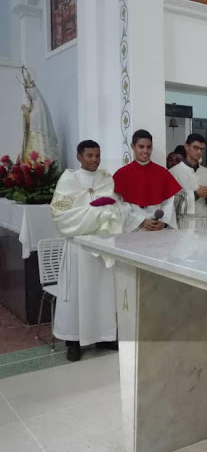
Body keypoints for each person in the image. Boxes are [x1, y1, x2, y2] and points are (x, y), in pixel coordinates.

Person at [50, 140, 125, 361]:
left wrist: (103, 212)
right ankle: (73, 340)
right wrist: (96, 214)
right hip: (79, 248)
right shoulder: (68, 180)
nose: (94, 160)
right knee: (77, 295)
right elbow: (60, 215)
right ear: (79, 157)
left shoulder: (105, 179)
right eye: (90, 155)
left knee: (102, 293)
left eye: (97, 155)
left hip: (102, 246)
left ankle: (104, 335)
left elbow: (116, 208)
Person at [113, 129, 181, 232]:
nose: (145, 151)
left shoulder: (162, 173)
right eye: (141, 147)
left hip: (158, 229)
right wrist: (141, 221)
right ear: (132, 146)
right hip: (134, 230)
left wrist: (163, 222)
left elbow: (169, 203)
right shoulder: (122, 174)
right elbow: (119, 205)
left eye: (149, 147)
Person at [170, 133, 207, 229]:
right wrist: (196, 194)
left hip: (205, 224)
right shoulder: (174, 172)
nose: (199, 152)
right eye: (195, 148)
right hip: (185, 224)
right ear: (186, 147)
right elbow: (171, 204)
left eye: (202, 149)